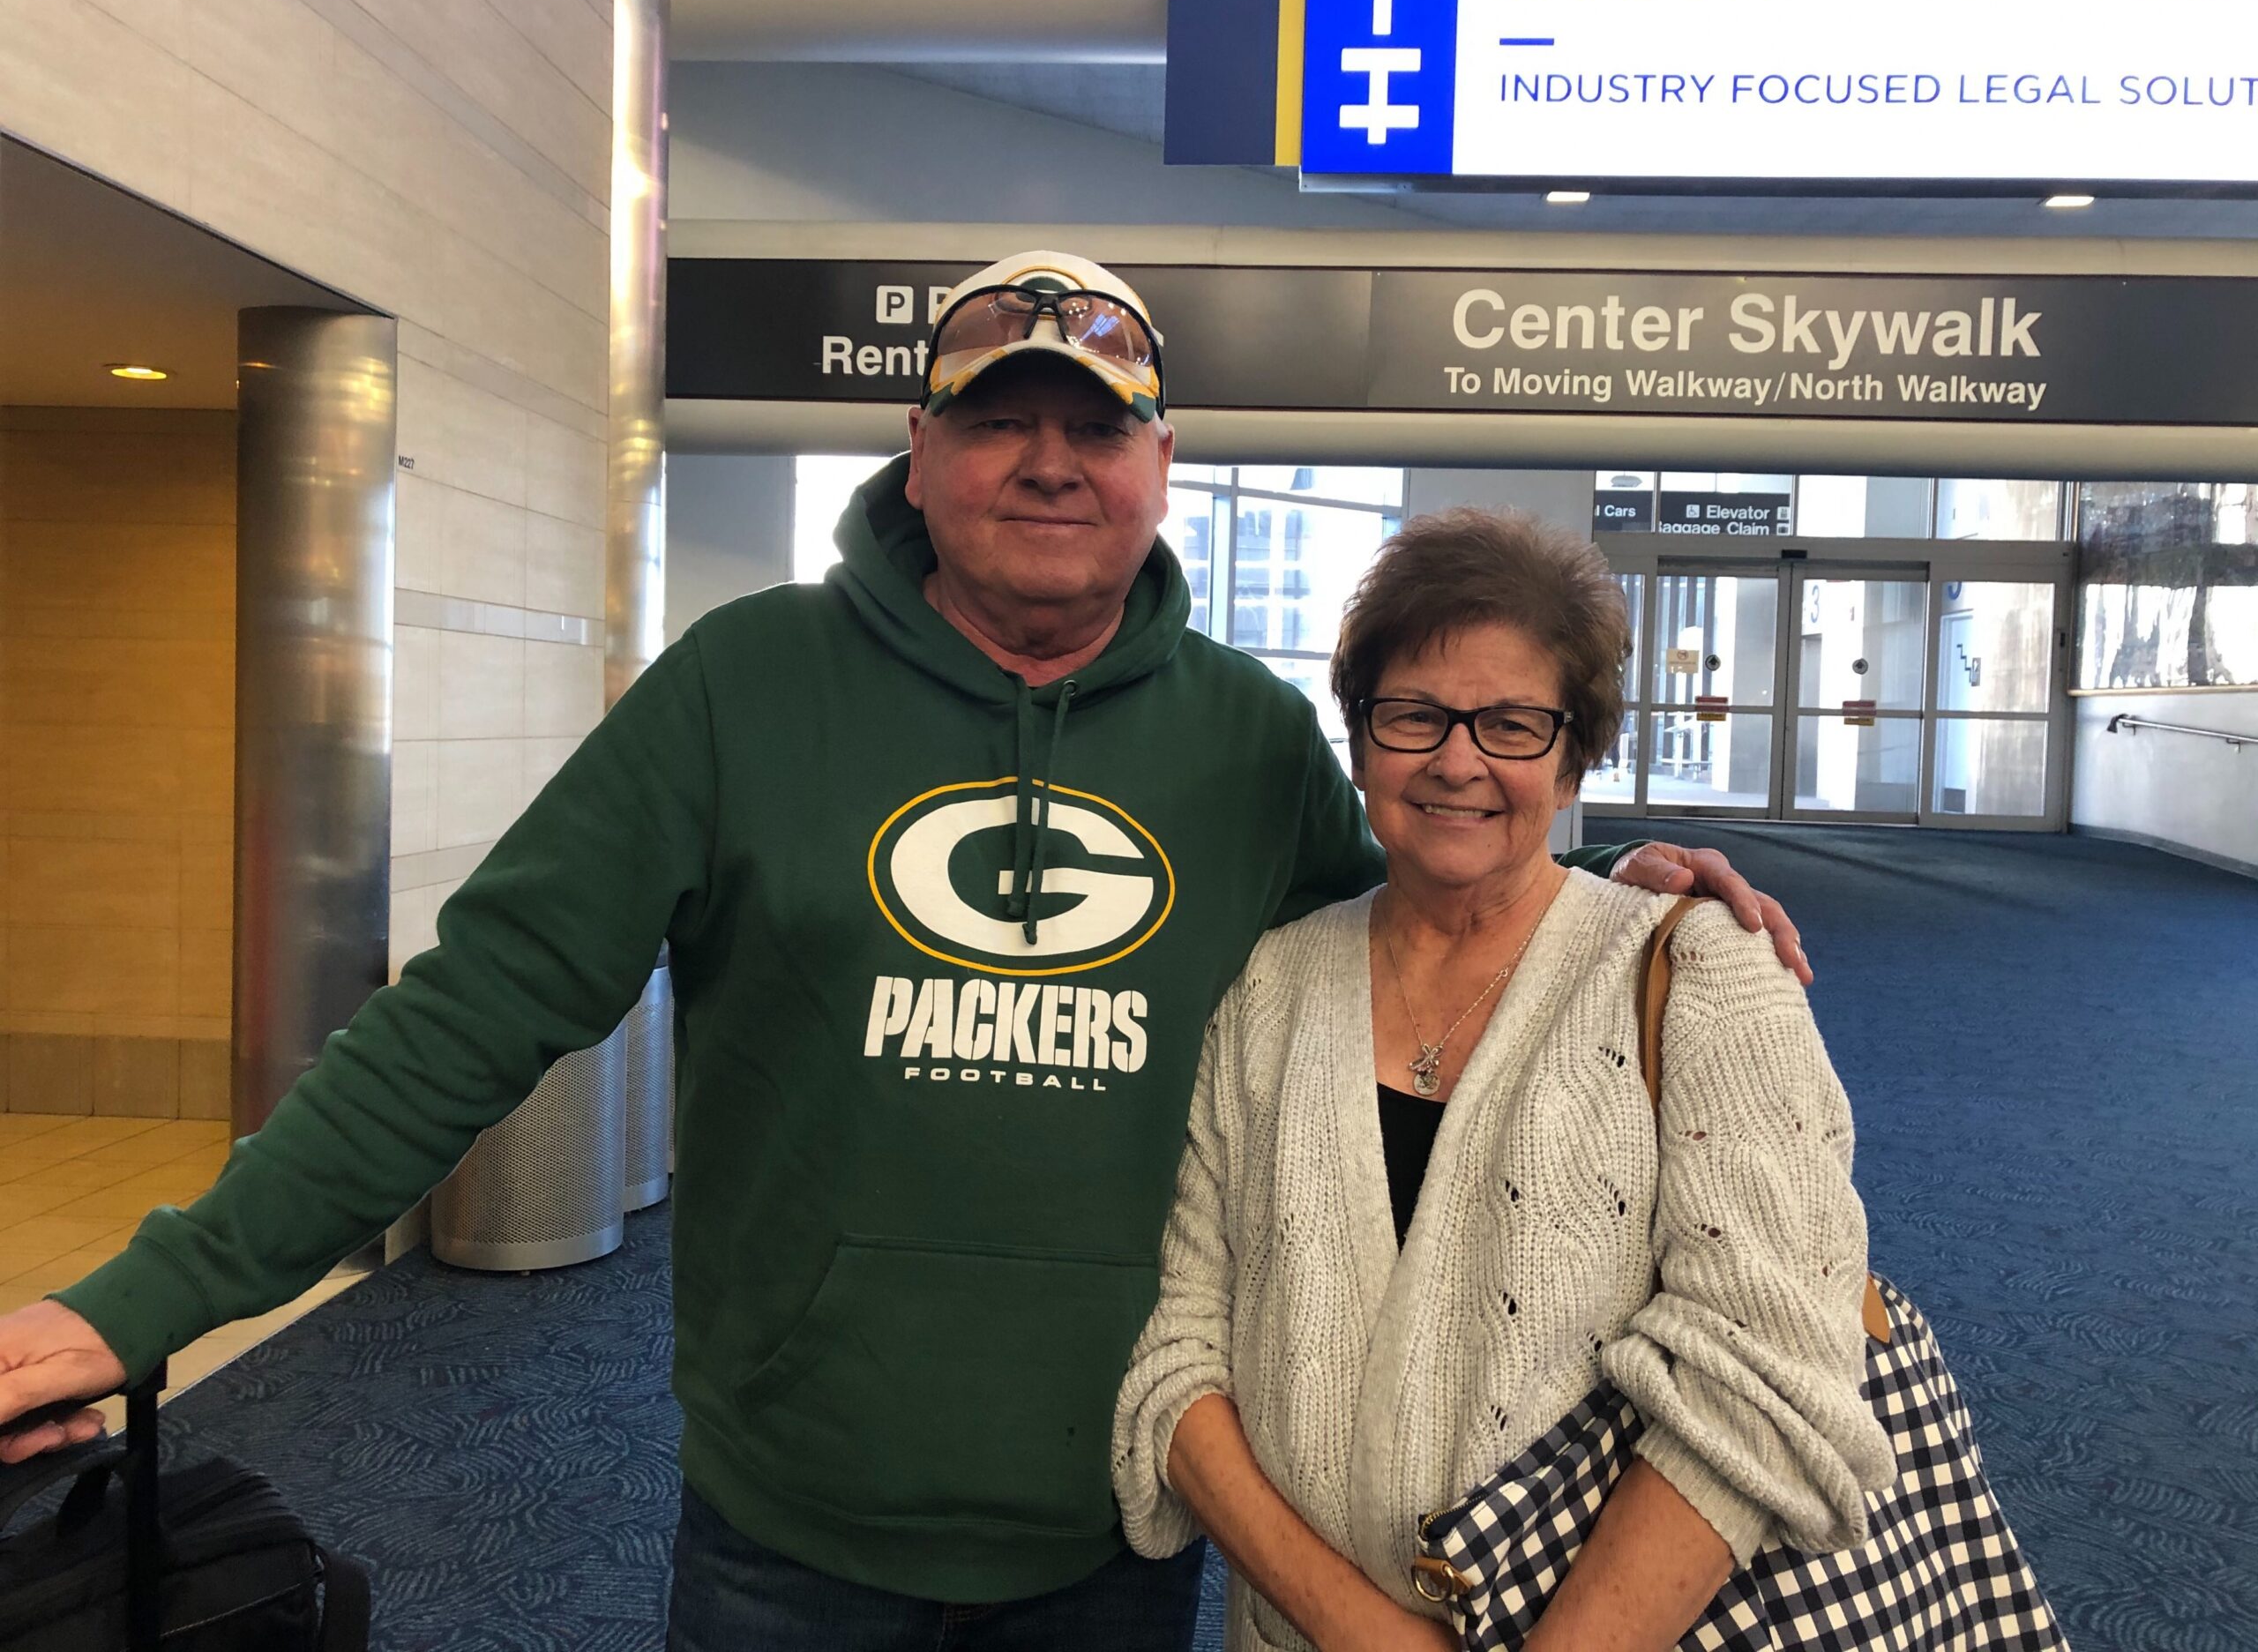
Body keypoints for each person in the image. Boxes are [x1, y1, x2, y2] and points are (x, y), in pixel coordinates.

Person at [0, 256, 1804, 1651]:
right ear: (920, 454)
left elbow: (1427, 920)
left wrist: (1611, 889)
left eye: (1095, 426)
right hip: (794, 1530)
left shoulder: (1245, 743)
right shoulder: (740, 690)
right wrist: (152, 1296)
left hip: (1127, 1516)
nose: (1048, 459)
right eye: (998, 417)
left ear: (1158, 467)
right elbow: (464, 1016)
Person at [1114, 508, 1892, 1652]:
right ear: (1362, 737)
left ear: (1575, 754)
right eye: (1415, 714)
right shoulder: (1272, 988)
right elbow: (1179, 1356)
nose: (1458, 760)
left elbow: (1767, 1377)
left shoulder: (1701, 974)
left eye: (1513, 724)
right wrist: (1360, 1631)